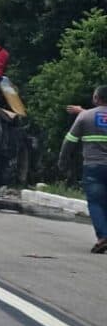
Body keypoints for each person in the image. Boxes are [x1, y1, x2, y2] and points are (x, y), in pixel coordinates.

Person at [61, 85, 107, 253]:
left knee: (96, 202)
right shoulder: (85, 114)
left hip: (93, 167)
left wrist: (63, 161)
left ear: (96, 98)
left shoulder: (85, 117)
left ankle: (103, 237)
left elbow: (69, 142)